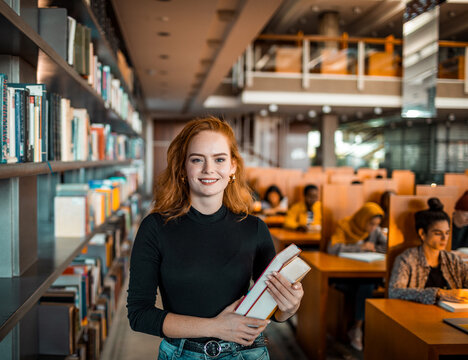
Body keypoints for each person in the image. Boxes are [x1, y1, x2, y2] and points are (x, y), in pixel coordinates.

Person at [127, 117, 304, 360]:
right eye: (197, 159)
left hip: (246, 354)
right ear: (182, 168)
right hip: (182, 355)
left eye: (219, 159)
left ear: (232, 167)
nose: (208, 169)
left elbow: (274, 312)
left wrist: (290, 306)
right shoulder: (155, 228)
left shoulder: (254, 228)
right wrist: (216, 327)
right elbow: (139, 315)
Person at [327, 202, 387, 351]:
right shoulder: (345, 225)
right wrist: (359, 247)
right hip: (343, 274)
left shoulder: (375, 230)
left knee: (368, 284)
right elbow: (332, 248)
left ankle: (357, 327)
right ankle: (357, 329)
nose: (373, 228)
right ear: (363, 218)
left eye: (376, 225)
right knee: (367, 286)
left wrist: (374, 248)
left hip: (365, 271)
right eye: (371, 223)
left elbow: (387, 246)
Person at [389, 198, 468, 304]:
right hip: (414, 315)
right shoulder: (407, 259)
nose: (444, 238)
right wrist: (438, 293)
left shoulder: (453, 260)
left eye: (447, 233)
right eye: (438, 233)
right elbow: (394, 292)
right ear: (422, 233)